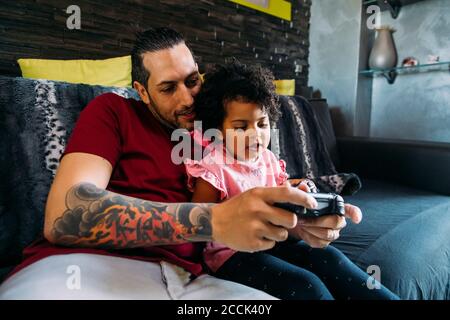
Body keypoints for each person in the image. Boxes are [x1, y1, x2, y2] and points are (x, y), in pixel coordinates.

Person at [0, 27, 362, 299]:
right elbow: (66, 214)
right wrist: (212, 220)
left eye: (192, 81)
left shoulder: (219, 130)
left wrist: (293, 221)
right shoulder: (113, 111)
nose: (188, 98)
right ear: (142, 92)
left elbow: (248, 190)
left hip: (193, 280)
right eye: (168, 88)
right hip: (83, 269)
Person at [183, 61, 399, 300]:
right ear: (218, 129)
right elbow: (198, 220)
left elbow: (282, 193)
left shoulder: (268, 158)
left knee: (330, 258)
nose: (256, 133)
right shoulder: (213, 166)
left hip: (276, 239)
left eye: (262, 124)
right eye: (241, 126)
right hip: (233, 254)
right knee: (307, 285)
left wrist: (301, 193)